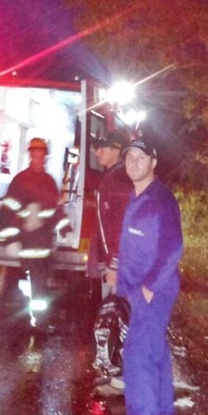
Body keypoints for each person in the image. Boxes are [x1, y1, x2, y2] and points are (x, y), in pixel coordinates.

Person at [112, 137, 184, 415]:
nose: (134, 163)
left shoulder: (161, 199)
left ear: (154, 162)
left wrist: (148, 288)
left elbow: (174, 248)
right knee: (156, 351)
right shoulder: (138, 196)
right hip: (137, 287)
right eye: (130, 157)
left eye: (141, 157)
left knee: (137, 354)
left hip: (152, 289)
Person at [0, 137, 63, 330]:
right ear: (30, 154)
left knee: (38, 284)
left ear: (45, 156)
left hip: (42, 243)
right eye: (35, 153)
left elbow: (56, 209)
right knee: (28, 283)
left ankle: (35, 321)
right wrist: (11, 239)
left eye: (41, 154)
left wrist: (64, 228)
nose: (38, 157)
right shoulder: (21, 180)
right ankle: (28, 323)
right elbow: (8, 210)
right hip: (26, 241)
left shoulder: (49, 181)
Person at [87, 129, 133, 305]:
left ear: (115, 151)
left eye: (102, 149)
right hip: (114, 263)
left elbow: (123, 225)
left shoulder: (118, 181)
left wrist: (115, 264)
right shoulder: (112, 177)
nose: (97, 153)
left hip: (120, 266)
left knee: (116, 317)